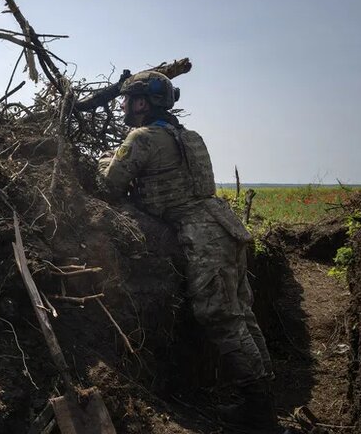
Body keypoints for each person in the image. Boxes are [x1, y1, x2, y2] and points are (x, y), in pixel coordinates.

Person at [99, 71, 276, 428]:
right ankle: (263, 403)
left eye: (127, 100)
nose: (122, 106)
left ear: (141, 103)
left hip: (203, 237)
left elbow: (108, 184)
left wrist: (104, 159)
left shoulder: (142, 138)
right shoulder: (189, 136)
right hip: (225, 228)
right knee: (241, 314)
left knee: (221, 317)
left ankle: (259, 417)